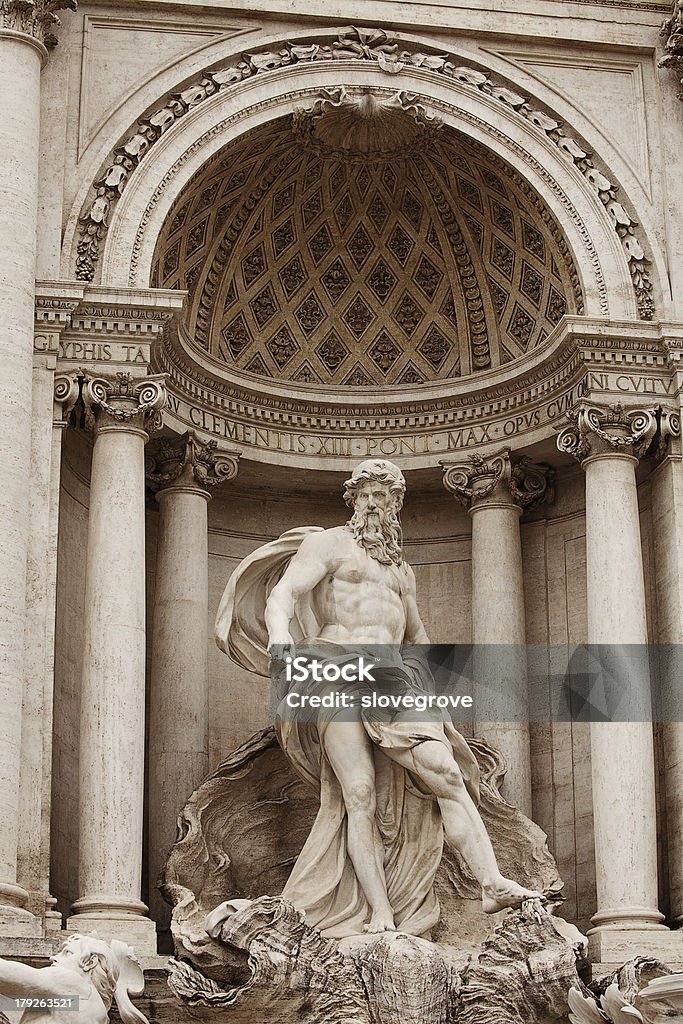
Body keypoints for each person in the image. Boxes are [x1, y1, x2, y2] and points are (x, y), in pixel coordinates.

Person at [216, 459, 540, 938]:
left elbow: (416, 634)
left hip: (392, 678)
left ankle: (491, 882)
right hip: (335, 668)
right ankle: (379, 912)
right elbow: (283, 593)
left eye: (381, 496)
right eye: (364, 494)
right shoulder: (327, 544)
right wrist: (282, 638)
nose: (372, 503)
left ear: (395, 505)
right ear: (353, 500)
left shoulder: (402, 572)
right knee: (359, 796)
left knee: (448, 773)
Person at [0, 933, 147, 1024]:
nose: (53, 957)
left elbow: (4, 973)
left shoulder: (72, 985)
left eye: (67, 953)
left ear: (89, 962)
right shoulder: (96, 1012)